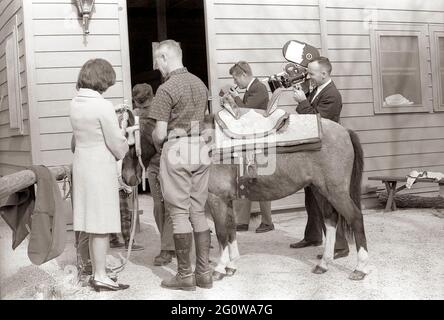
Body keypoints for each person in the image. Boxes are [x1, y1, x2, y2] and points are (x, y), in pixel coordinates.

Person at [148, 40, 212, 291]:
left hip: (177, 149)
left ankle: (185, 276)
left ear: (165, 58)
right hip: (201, 147)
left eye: (157, 60)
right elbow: (203, 122)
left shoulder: (166, 89)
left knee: (178, 213)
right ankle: (204, 274)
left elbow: (161, 134)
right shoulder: (200, 83)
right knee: (198, 211)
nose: (156, 66)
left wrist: (153, 137)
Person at [70, 58, 130, 291]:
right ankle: (101, 275)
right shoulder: (103, 106)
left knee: (90, 221)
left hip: (82, 165)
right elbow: (116, 144)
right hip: (99, 168)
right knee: (102, 223)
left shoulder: (75, 103)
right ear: (102, 80)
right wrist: (123, 134)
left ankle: (97, 272)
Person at [290, 56, 349, 259]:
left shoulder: (333, 95)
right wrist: (305, 99)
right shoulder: (318, 89)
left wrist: (303, 102)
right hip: (313, 153)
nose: (309, 76)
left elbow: (316, 121)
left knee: (328, 201)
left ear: (324, 73)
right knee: (311, 199)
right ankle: (313, 236)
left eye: (312, 73)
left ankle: (340, 246)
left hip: (325, 155)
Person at [228, 61, 274, 233]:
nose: (235, 83)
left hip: (258, 142)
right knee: (243, 179)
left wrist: (234, 98)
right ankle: (242, 221)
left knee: (260, 180)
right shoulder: (251, 89)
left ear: (244, 75)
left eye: (235, 78)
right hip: (248, 141)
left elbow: (247, 112)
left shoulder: (259, 89)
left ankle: (267, 221)